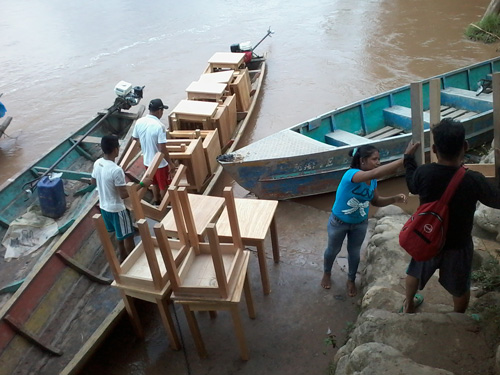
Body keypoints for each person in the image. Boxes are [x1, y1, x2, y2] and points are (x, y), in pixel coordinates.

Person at [402, 118, 500, 313]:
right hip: (458, 245)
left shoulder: (425, 172)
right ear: (465, 146)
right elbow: (497, 200)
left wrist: (408, 160)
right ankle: (458, 318)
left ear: (435, 150)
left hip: (427, 237)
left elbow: (412, 185)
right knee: (460, 287)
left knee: (415, 271)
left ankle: (409, 305)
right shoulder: (473, 179)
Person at [321, 142, 419, 296]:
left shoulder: (372, 181)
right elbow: (375, 173)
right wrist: (405, 159)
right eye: (375, 159)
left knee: (354, 252)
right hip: (338, 222)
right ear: (362, 161)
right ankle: (327, 273)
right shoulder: (351, 174)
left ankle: (351, 279)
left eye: (379, 159)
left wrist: (394, 198)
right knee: (333, 250)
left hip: (359, 223)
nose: (378, 162)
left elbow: (376, 201)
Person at [91, 135, 137, 260]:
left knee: (119, 234)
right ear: (116, 150)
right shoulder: (116, 170)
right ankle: (133, 261)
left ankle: (122, 257)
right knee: (128, 235)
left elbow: (93, 182)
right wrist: (139, 187)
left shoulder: (98, 163)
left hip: (104, 207)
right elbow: (123, 194)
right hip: (117, 209)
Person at [132, 98, 175, 205]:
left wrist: (145, 146)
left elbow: (135, 139)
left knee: (154, 183)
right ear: (159, 111)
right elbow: (162, 148)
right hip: (159, 163)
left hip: (146, 161)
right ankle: (165, 205)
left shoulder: (139, 122)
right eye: (162, 111)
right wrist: (170, 163)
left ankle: (156, 202)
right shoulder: (159, 126)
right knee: (163, 185)